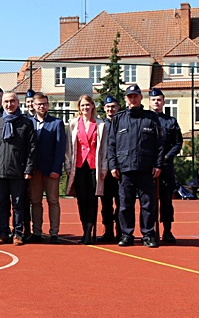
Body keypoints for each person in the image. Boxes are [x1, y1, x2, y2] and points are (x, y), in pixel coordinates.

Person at [106, 84, 165, 248]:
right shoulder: (119, 118)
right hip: (125, 168)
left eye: (135, 96)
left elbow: (159, 144)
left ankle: (148, 234)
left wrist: (158, 164)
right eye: (130, 96)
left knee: (148, 204)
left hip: (146, 168)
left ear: (140, 98)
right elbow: (111, 144)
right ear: (126, 99)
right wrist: (113, 165)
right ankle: (127, 234)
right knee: (125, 204)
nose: (133, 99)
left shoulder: (151, 118)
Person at [0, 92, 36, 246]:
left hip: (19, 171)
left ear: (18, 103)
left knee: (18, 205)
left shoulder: (26, 123)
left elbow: (32, 148)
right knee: (1, 204)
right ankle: (3, 233)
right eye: (6, 101)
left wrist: (29, 169)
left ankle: (18, 233)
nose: (9, 104)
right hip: (0, 171)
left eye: (12, 101)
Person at [65, 95, 109, 244]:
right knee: (82, 200)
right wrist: (68, 165)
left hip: (94, 166)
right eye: (82, 105)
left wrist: (104, 166)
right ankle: (85, 228)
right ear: (79, 108)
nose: (85, 108)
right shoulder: (73, 124)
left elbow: (104, 148)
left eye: (87, 105)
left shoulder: (100, 124)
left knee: (93, 199)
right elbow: (68, 148)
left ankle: (90, 231)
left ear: (92, 107)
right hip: (78, 166)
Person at [28, 92, 66, 243]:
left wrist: (56, 169)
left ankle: (54, 233)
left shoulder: (57, 123)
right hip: (34, 170)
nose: (41, 106)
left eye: (44, 104)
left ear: (48, 105)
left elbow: (60, 148)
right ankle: (37, 232)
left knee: (53, 201)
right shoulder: (28, 123)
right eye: (39, 104)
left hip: (51, 170)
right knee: (35, 201)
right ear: (34, 106)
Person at [148, 87, 182, 244]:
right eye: (153, 100)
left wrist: (166, 158)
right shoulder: (145, 120)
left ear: (163, 102)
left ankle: (167, 231)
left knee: (166, 201)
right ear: (149, 102)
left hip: (166, 167)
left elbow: (177, 143)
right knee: (150, 201)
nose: (156, 102)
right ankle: (150, 231)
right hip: (149, 168)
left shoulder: (171, 121)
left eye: (159, 100)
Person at [99, 96, 122, 242]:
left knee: (122, 203)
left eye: (113, 106)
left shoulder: (123, 123)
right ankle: (108, 231)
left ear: (118, 107)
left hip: (121, 170)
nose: (110, 109)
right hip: (105, 171)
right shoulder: (101, 125)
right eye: (108, 107)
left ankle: (120, 231)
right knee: (106, 203)